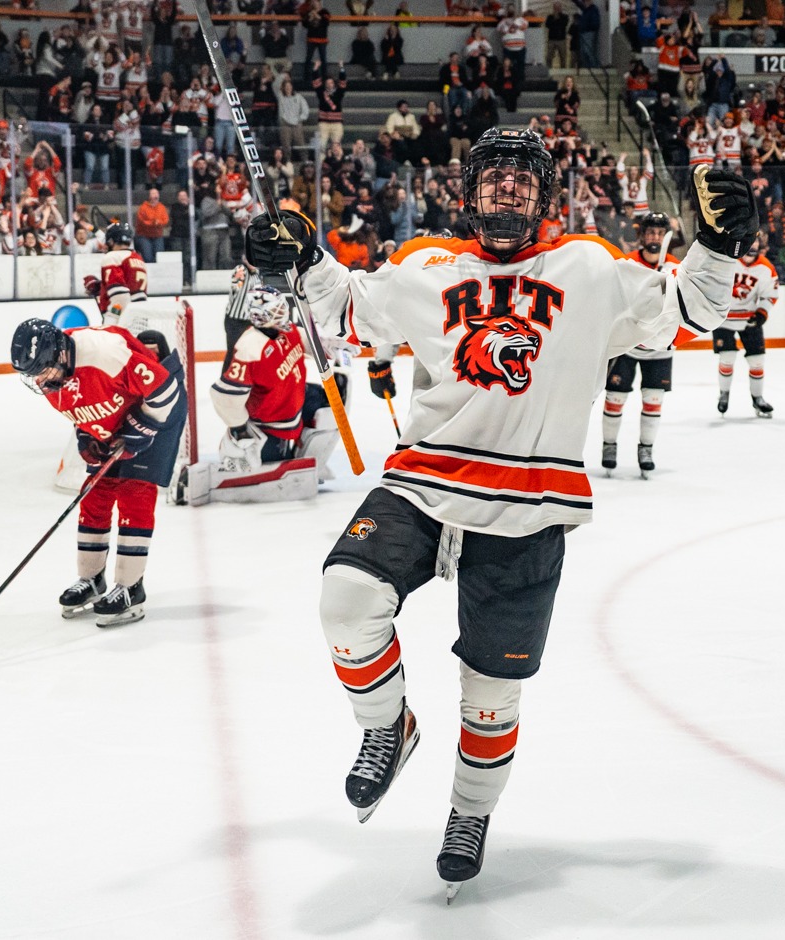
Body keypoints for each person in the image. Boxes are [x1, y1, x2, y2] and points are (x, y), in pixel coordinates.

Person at [242, 127, 752, 899]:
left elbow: (693, 307)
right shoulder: (424, 265)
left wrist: (718, 240)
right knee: (345, 599)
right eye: (494, 176)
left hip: (531, 503)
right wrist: (303, 255)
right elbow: (348, 315)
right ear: (470, 193)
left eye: (524, 177)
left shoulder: (588, 266)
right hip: (424, 476)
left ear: (546, 196)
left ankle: (468, 813)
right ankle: (387, 725)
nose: (507, 187)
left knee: (490, 691)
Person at [8, 317, 187, 626]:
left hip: (158, 411)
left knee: (134, 492)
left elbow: (164, 392)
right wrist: (87, 436)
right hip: (119, 414)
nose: (39, 381)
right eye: (32, 375)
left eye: (41, 371)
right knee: (94, 495)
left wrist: (139, 428)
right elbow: (88, 405)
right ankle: (92, 580)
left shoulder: (106, 353)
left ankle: (131, 587)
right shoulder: (53, 377)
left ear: (59, 355)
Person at [207, 285, 344, 495]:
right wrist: (240, 428)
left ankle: (312, 461)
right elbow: (225, 395)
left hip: (296, 398)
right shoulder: (250, 348)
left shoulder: (284, 330)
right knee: (271, 481)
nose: (284, 313)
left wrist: (322, 344)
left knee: (331, 405)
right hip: (271, 423)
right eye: (278, 310)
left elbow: (301, 338)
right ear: (263, 314)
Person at [600, 212, 678, 476]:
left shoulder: (675, 268)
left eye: (659, 233)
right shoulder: (627, 264)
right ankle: (609, 446)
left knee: (653, 400)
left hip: (659, 349)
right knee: (615, 398)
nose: (654, 238)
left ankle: (646, 449)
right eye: (650, 233)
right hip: (626, 345)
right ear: (642, 236)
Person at [712, 233, 779, 417]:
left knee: (757, 361)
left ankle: (757, 398)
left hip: (749, 318)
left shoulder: (766, 268)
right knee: (727, 357)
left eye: (756, 240)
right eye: (750, 239)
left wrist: (761, 313)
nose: (753, 243)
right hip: (724, 318)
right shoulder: (728, 259)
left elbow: (771, 295)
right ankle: (724, 394)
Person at [83, 221, 149, 323]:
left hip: (124, 318)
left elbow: (120, 296)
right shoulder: (137, 257)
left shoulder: (112, 257)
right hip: (140, 316)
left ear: (111, 241)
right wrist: (101, 287)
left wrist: (111, 319)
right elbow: (129, 285)